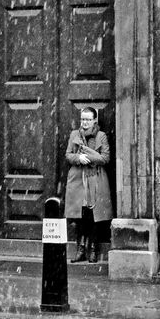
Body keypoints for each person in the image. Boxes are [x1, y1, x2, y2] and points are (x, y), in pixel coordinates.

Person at [64, 107, 112, 263]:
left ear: (94, 120)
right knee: (81, 216)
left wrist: (89, 157)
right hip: (79, 180)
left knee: (94, 217)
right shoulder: (74, 135)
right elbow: (68, 155)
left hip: (95, 179)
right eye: (82, 119)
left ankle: (93, 249)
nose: (84, 123)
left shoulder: (101, 136)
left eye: (88, 120)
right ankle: (81, 249)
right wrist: (79, 158)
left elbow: (105, 158)